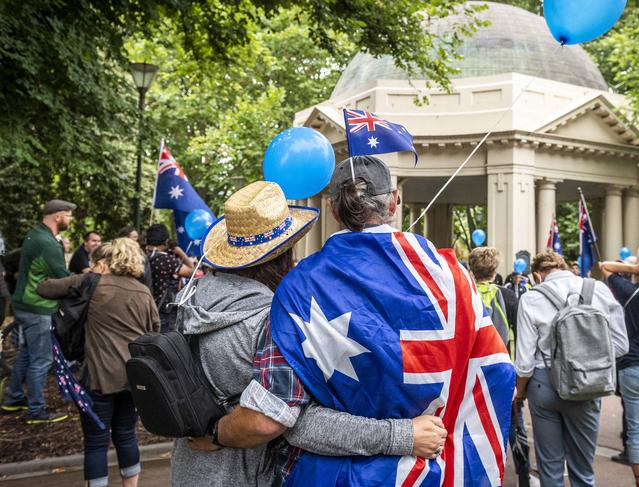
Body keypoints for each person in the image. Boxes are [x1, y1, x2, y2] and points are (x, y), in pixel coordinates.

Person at [223, 158, 514, 486]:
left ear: (333, 209)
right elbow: (497, 371)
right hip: (430, 470)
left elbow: (276, 411)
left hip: (333, 476)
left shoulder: (300, 287)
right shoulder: (453, 276)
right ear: (394, 201)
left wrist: (216, 434)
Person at [171, 181, 447, 486]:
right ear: (285, 250)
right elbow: (282, 422)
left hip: (189, 470)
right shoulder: (274, 315)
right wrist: (402, 435)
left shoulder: (192, 298)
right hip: (242, 477)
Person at [37, 238, 160, 487]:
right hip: (133, 378)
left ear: (104, 261)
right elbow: (154, 330)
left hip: (98, 377)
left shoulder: (91, 283)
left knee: (96, 441)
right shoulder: (143, 291)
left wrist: (88, 274)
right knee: (126, 436)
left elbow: (44, 288)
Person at [516, 250, 629, 487]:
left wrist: (522, 391)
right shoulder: (596, 289)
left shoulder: (531, 297)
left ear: (538, 274)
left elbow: (525, 361)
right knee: (583, 470)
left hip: (543, 382)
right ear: (564, 266)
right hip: (587, 383)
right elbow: (620, 344)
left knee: (550, 469)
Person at [1, 199, 75, 423]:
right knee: (42, 359)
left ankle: (13, 398)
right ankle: (36, 411)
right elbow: (63, 278)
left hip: (24, 304)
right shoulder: (48, 242)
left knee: (27, 354)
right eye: (68, 215)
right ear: (58, 216)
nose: (70, 220)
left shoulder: (35, 234)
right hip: (38, 307)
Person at [469, 246, 531, 487]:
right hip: (504, 370)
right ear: (495, 269)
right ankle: (524, 477)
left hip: (472, 372)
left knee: (474, 424)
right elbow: (520, 333)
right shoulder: (509, 296)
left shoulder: (465, 292)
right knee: (515, 425)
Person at [601, 246, 639, 487]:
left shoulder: (629, 291)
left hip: (633, 368)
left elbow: (605, 266)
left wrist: (633, 268)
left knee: (637, 433)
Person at [145, 224, 193, 332]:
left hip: (145, 308)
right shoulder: (166, 260)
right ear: (166, 241)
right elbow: (192, 271)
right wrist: (180, 253)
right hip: (163, 310)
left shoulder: (142, 256)